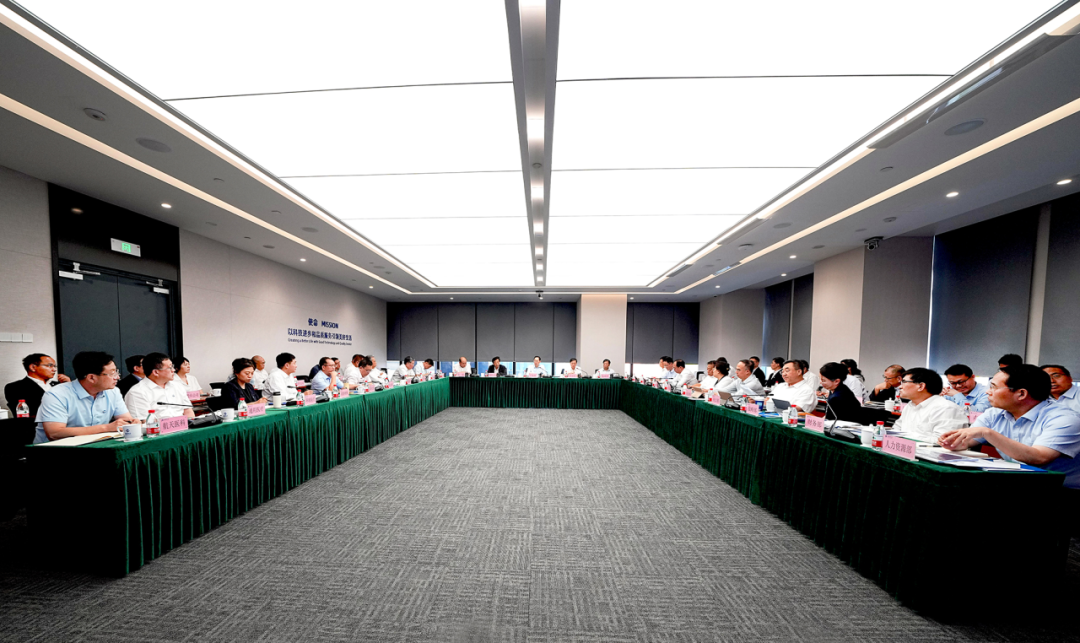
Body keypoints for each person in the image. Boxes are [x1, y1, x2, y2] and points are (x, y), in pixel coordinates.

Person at [941, 365, 1080, 488]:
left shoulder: (1064, 418)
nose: (987, 392)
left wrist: (987, 433)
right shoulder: (994, 413)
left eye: (994, 387)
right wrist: (952, 442)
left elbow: (1040, 457)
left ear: (1021, 393)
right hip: (1016, 483)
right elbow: (966, 441)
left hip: (1062, 491)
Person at [34, 351, 133, 444]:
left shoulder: (113, 392)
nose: (117, 377)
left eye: (116, 372)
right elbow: (54, 433)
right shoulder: (57, 394)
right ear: (91, 378)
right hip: (56, 450)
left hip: (96, 446)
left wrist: (131, 423)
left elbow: (125, 420)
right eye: (112, 373)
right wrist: (106, 428)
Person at [892, 368, 966, 440]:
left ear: (921, 386)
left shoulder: (946, 408)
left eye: (904, 382)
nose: (900, 387)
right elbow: (897, 429)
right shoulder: (910, 405)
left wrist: (905, 435)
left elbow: (943, 441)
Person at [124, 352, 194, 421]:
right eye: (170, 367)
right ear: (156, 372)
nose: (173, 370)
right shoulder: (137, 392)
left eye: (172, 366)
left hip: (184, 426)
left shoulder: (177, 386)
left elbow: (188, 411)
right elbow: (144, 421)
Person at [5, 353, 70, 418]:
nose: (55, 369)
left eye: (55, 366)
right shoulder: (15, 387)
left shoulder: (59, 385)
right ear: (33, 367)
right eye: (50, 365)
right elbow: (26, 413)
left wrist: (70, 387)